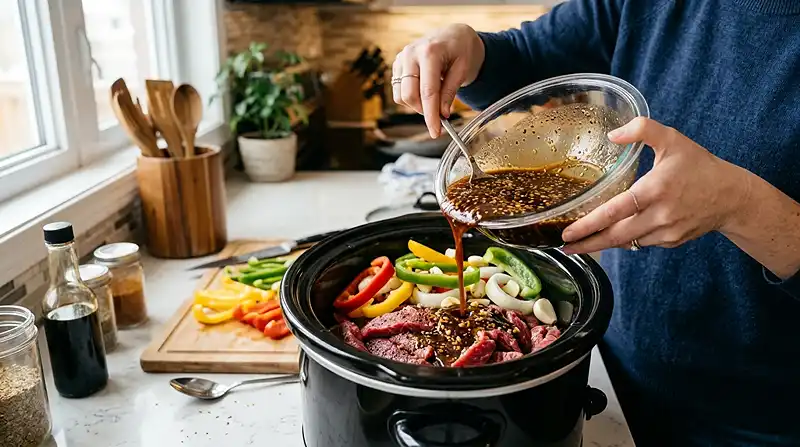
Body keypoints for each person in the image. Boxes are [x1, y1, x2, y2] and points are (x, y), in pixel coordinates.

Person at [392, 1, 800, 446]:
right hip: (611, 373)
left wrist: (741, 205)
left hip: (764, 421)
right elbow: (527, 60)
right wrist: (470, 49)